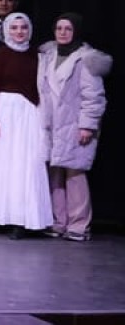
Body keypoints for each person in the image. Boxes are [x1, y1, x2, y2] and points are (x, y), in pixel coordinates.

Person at [36, 13, 111, 241]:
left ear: (76, 31)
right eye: (59, 28)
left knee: (74, 174)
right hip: (51, 124)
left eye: (67, 29)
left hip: (74, 125)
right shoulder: (47, 56)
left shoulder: (85, 59)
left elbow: (94, 97)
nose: (62, 33)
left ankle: (79, 225)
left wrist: (87, 125)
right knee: (55, 174)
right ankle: (58, 222)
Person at [0, 12, 50, 238]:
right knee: (3, 165)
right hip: (3, 114)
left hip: (28, 115)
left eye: (23, 27)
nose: (19, 32)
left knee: (25, 165)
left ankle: (23, 219)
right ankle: (2, 216)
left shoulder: (38, 56)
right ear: (7, 30)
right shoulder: (0, 55)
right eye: (15, 28)